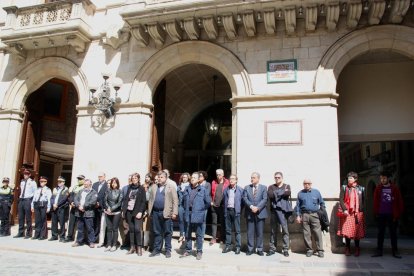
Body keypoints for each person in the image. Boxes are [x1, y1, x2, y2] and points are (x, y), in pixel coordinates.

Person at [372, 171, 404, 258]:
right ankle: (379, 250)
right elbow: (375, 202)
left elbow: (399, 201)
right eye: (381, 178)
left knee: (393, 233)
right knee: (380, 233)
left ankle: (395, 251)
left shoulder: (394, 188)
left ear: (388, 178)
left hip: (392, 214)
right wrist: (376, 213)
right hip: (381, 214)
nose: (382, 180)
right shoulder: (378, 188)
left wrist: (398, 214)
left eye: (384, 178)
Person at [148, 171, 178, 258]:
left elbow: (175, 201)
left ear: (165, 178)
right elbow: (150, 200)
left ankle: (168, 250)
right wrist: (150, 211)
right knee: (157, 232)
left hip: (166, 213)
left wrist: (174, 213)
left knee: (167, 232)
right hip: (156, 213)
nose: (160, 179)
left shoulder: (170, 187)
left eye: (161, 177)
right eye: (159, 177)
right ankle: (157, 249)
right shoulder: (154, 187)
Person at [181, 172, 211, 260]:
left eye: (194, 177)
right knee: (187, 233)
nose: (192, 178)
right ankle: (188, 250)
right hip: (188, 213)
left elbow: (208, 202)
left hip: (198, 214)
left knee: (199, 234)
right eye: (192, 177)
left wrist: (201, 210)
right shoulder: (187, 189)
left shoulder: (203, 189)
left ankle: (199, 251)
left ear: (198, 179)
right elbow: (183, 201)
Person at [337, 171, 365, 257]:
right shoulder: (344, 188)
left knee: (357, 232)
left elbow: (363, 200)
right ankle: (347, 248)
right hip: (347, 213)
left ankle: (357, 248)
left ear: (355, 179)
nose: (349, 179)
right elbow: (341, 199)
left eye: (351, 178)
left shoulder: (361, 188)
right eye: (348, 178)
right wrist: (344, 209)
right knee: (347, 232)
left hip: (357, 213)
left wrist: (361, 210)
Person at [295, 179, 325, 258]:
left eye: (308, 183)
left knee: (317, 233)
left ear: (311, 184)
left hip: (315, 215)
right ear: (303, 184)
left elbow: (322, 203)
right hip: (305, 215)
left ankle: (320, 250)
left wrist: (322, 213)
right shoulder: (300, 193)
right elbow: (297, 206)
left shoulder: (316, 192)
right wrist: (298, 215)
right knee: (306, 234)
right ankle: (309, 250)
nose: (307, 185)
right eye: (305, 183)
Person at [267, 172, 292, 257]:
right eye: (275, 177)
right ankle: (272, 249)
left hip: (283, 212)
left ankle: (285, 249)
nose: (277, 179)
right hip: (274, 211)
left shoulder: (287, 186)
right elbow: (270, 195)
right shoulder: (271, 187)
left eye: (279, 177)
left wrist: (276, 193)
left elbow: (288, 193)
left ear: (282, 178)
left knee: (285, 230)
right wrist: (281, 192)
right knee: (273, 231)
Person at [243, 172, 268, 256]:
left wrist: (257, 208)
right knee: (250, 232)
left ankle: (260, 249)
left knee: (260, 232)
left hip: (260, 212)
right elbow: (245, 198)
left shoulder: (264, 188)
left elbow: (264, 199)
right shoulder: (247, 187)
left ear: (258, 178)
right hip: (250, 212)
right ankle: (250, 249)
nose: (252, 179)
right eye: (251, 177)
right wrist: (251, 206)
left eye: (253, 177)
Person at [122, 173, 146, 256]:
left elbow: (143, 202)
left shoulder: (141, 188)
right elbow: (126, 199)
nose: (134, 179)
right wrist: (124, 210)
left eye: (135, 178)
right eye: (133, 178)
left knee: (137, 229)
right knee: (131, 229)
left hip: (137, 212)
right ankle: (132, 247)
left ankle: (139, 247)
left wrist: (140, 212)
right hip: (129, 211)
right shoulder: (129, 187)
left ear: (138, 179)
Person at [72, 179, 98, 248]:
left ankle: (91, 242)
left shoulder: (94, 192)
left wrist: (83, 207)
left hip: (88, 213)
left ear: (90, 185)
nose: (85, 186)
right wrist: (78, 206)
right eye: (84, 184)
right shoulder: (80, 191)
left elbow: (93, 202)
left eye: (86, 184)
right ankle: (79, 241)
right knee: (80, 228)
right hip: (79, 212)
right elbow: (75, 199)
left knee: (90, 228)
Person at [222, 174, 243, 255]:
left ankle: (238, 247)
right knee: (228, 230)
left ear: (236, 180)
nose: (231, 180)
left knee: (237, 230)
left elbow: (243, 202)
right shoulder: (226, 189)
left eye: (233, 179)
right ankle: (228, 246)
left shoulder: (240, 190)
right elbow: (224, 200)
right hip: (227, 211)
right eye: (230, 179)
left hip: (236, 211)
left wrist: (238, 209)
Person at [14, 169, 37, 239]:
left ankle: (28, 233)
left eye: (27, 174)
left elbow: (35, 193)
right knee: (20, 217)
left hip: (28, 200)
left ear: (29, 175)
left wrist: (32, 202)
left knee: (28, 217)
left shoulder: (33, 182)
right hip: (21, 200)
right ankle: (20, 232)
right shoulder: (22, 182)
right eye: (24, 174)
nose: (25, 175)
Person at [210, 168, 229, 245]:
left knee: (222, 223)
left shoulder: (227, 182)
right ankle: (213, 238)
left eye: (219, 174)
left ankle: (222, 238)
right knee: (214, 222)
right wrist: (211, 201)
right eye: (217, 174)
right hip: (214, 205)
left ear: (223, 175)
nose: (218, 176)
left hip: (222, 206)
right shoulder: (213, 182)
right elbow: (211, 193)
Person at [64, 174, 85, 243]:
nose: (79, 180)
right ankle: (69, 236)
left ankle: (79, 239)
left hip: (79, 207)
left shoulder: (84, 188)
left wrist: (76, 204)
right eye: (78, 179)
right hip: (73, 207)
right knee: (71, 222)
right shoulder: (75, 187)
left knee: (80, 223)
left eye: (81, 179)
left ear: (84, 180)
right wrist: (71, 202)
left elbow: (82, 198)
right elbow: (70, 196)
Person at [104, 177, 123, 252]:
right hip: (108, 212)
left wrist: (112, 208)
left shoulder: (120, 191)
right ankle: (108, 244)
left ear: (117, 183)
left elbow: (119, 202)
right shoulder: (108, 191)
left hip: (116, 212)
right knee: (109, 229)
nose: (113, 184)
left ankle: (114, 245)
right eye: (112, 182)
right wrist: (108, 208)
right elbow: (105, 200)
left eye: (115, 182)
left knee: (115, 229)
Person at [49, 176, 69, 242]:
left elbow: (64, 199)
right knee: (54, 222)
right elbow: (52, 198)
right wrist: (53, 204)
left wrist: (57, 205)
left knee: (62, 223)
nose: (59, 183)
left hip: (61, 208)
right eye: (58, 181)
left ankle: (62, 237)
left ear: (63, 182)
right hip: (54, 207)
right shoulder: (55, 189)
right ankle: (54, 236)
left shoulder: (66, 189)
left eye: (60, 182)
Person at [92, 172, 108, 246]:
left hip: (102, 208)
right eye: (99, 176)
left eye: (101, 176)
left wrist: (99, 204)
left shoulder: (107, 185)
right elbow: (92, 194)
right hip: (94, 207)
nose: (99, 178)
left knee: (101, 225)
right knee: (94, 223)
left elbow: (106, 197)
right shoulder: (95, 184)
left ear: (104, 177)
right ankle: (94, 239)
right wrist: (94, 203)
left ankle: (103, 241)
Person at [177, 173, 190, 242]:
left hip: (187, 205)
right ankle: (181, 234)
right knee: (180, 220)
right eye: (183, 177)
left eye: (186, 177)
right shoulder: (179, 186)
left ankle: (186, 235)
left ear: (188, 178)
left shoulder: (190, 186)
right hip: (180, 205)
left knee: (186, 220)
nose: (184, 178)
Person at [198, 171, 211, 238]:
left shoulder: (207, 184)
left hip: (204, 205)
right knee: (197, 221)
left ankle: (202, 236)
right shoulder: (196, 184)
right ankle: (198, 235)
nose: (199, 177)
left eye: (200, 176)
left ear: (204, 177)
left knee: (203, 221)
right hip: (197, 205)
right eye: (199, 176)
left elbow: (207, 194)